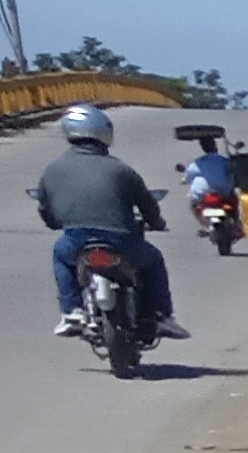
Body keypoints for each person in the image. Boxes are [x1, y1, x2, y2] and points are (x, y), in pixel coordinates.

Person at [30, 106, 184, 341]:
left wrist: (54, 223)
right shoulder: (121, 169)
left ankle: (72, 312)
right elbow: (147, 204)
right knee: (154, 260)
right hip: (122, 240)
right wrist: (157, 222)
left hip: (77, 239)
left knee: (61, 255)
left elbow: (45, 208)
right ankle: (163, 316)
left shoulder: (52, 169)